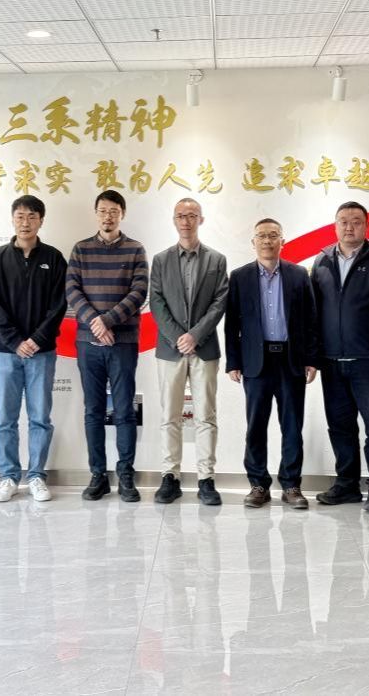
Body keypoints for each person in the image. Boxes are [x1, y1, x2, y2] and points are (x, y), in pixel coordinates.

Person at [311, 201, 369, 514]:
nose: (349, 227)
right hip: (332, 361)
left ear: (366, 226)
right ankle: (347, 485)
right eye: (343, 221)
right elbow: (313, 311)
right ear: (335, 225)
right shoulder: (322, 261)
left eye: (356, 221)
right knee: (340, 427)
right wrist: (313, 355)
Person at [225, 218, 319, 510]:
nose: (267, 241)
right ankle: (258, 485)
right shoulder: (239, 277)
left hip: (290, 360)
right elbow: (231, 324)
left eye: (273, 235)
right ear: (253, 242)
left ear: (282, 241)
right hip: (256, 362)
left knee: (291, 426)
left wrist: (311, 359)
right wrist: (233, 361)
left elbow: (311, 319)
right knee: (256, 426)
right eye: (262, 236)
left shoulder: (298, 274)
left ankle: (291, 485)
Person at [0, 195, 68, 503]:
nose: (25, 222)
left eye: (32, 216)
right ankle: (8, 476)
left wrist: (36, 340)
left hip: (41, 352)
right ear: (12, 219)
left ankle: (36, 476)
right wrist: (15, 341)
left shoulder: (54, 258)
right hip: (6, 353)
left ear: (41, 221)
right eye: (20, 216)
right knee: (4, 418)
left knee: (40, 417)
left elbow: (59, 304)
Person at [66, 190, 149, 502]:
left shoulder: (135, 249)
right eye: (103, 210)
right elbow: (72, 290)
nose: (108, 216)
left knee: (125, 410)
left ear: (122, 214)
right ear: (96, 213)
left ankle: (125, 474)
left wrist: (108, 321)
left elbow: (139, 292)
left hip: (123, 343)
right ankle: (98, 475)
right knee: (93, 410)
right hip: (88, 344)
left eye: (114, 211)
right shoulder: (81, 249)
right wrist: (95, 323)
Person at [149, 198, 229, 506]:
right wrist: (177, 337)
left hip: (204, 348)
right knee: (169, 415)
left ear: (201, 220)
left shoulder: (216, 260)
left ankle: (206, 479)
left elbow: (219, 302)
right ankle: (170, 477)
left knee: (206, 416)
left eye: (192, 215)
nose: (186, 221)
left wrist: (195, 335)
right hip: (170, 350)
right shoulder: (161, 260)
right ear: (174, 220)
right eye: (180, 216)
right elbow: (157, 301)